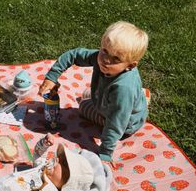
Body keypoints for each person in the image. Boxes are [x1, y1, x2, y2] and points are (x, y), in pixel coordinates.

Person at [38, 21, 149, 163]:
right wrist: (52, 77)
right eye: (105, 51)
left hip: (126, 123)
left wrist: (106, 152)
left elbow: (116, 123)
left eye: (116, 59)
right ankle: (138, 100)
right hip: (110, 98)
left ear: (130, 65)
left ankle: (134, 106)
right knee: (88, 93)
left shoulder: (123, 88)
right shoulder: (101, 58)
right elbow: (74, 55)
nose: (106, 60)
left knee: (83, 106)